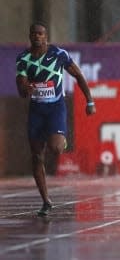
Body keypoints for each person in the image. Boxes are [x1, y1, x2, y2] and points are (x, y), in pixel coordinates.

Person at [15, 22, 96, 216]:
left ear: (46, 36)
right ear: (29, 36)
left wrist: (90, 101)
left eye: (41, 34)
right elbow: (21, 88)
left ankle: (60, 138)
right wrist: (26, 89)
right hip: (36, 110)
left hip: (55, 107)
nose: (37, 37)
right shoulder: (23, 58)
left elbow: (78, 75)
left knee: (57, 148)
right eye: (34, 34)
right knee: (36, 156)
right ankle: (45, 200)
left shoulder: (59, 54)